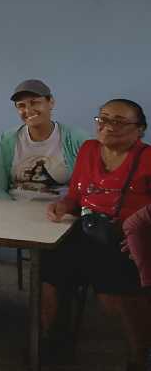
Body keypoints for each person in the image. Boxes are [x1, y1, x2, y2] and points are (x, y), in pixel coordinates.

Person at [43, 99, 151, 370]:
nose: (108, 126)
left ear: (140, 129)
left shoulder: (148, 158)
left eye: (119, 121)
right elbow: (76, 196)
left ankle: (138, 355)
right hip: (88, 230)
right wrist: (63, 205)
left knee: (115, 294)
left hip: (127, 238)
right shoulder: (89, 149)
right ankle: (55, 341)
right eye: (103, 118)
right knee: (49, 273)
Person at [0, 79, 91, 202]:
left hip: (59, 212)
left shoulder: (77, 138)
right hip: (14, 209)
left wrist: (65, 208)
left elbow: (87, 188)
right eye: (21, 105)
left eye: (35, 102)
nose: (28, 110)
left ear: (51, 102)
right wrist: (11, 211)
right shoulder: (6, 140)